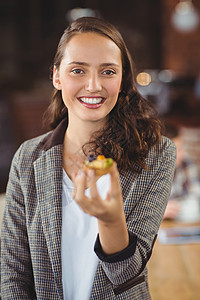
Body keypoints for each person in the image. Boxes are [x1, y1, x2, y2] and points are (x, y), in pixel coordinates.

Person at [0, 17, 176, 299]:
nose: (93, 85)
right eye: (78, 70)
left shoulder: (156, 154)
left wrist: (110, 221)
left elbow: (127, 274)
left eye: (108, 71)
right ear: (57, 76)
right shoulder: (27, 159)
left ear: (122, 79)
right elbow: (12, 273)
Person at [163, 124, 200, 220]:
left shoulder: (186, 164)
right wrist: (159, 211)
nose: (183, 154)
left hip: (180, 221)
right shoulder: (149, 171)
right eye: (177, 150)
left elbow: (195, 195)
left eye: (182, 148)